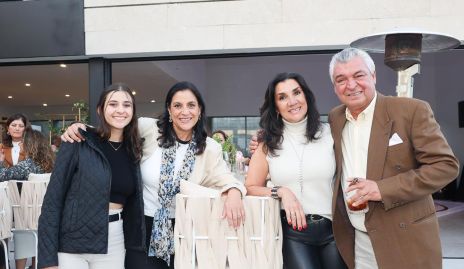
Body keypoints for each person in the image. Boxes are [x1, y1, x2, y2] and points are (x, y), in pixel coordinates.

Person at [61, 81, 246, 269]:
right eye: (177, 105)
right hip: (140, 228)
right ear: (169, 110)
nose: (185, 112)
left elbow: (226, 177)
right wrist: (80, 128)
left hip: (183, 231)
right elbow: (113, 129)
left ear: (199, 110)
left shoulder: (210, 148)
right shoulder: (149, 129)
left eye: (191, 105)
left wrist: (234, 192)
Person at [327, 47, 459, 269]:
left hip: (405, 239)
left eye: (359, 75)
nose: (351, 85)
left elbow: (445, 166)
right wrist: (264, 141)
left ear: (374, 76)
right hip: (359, 240)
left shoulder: (410, 110)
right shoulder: (335, 118)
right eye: (341, 79)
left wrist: (383, 189)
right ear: (334, 86)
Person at [245, 72, 346, 269]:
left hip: (334, 230)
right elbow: (250, 187)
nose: (292, 101)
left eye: (296, 93)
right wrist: (281, 191)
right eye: (282, 97)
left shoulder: (330, 133)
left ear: (306, 96)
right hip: (293, 233)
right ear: (275, 107)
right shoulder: (268, 142)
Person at [38, 83, 144, 269]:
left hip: (114, 241)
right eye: (113, 104)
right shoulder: (78, 141)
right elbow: (52, 202)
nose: (120, 110)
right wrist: (48, 261)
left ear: (133, 111)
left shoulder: (134, 148)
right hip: (72, 244)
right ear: (100, 110)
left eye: (127, 105)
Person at [0, 129, 54, 269]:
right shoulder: (53, 163)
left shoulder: (27, 165)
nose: (21, 144)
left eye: (23, 142)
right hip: (48, 218)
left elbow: (3, 175)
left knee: (20, 220)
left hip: (25, 220)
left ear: (29, 145)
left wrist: (0, 162)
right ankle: (37, 264)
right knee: (34, 227)